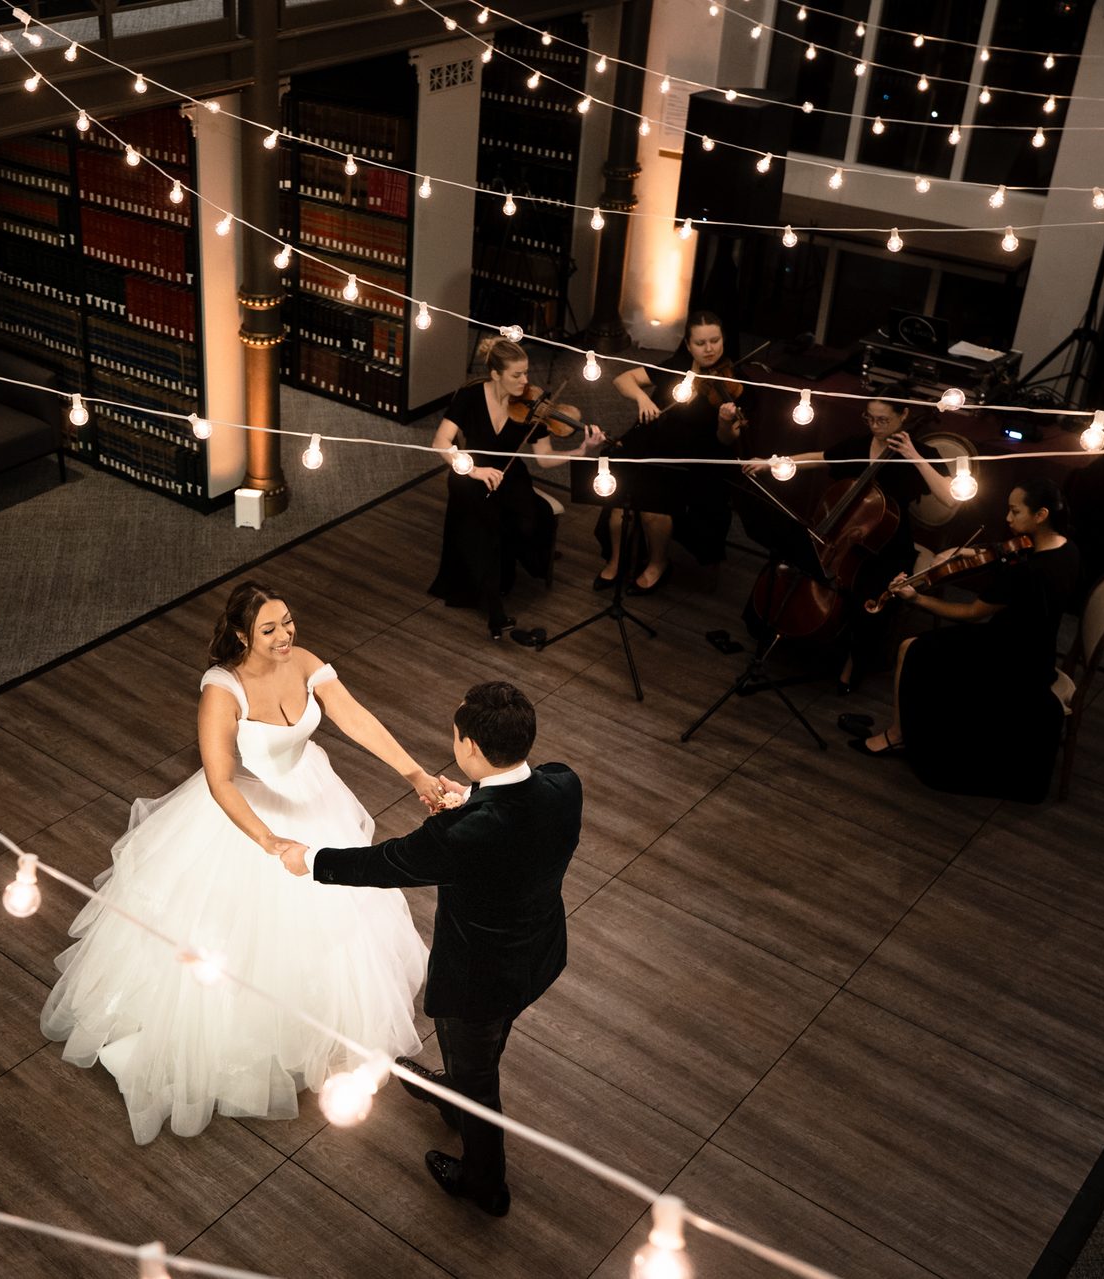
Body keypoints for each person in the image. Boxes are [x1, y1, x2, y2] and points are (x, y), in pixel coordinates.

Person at [41, 582, 435, 1144]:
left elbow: (353, 717)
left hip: (313, 795)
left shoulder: (303, 661)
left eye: (288, 622)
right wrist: (269, 841)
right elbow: (220, 779)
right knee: (242, 937)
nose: (285, 636)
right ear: (241, 634)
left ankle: (310, 1024)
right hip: (246, 816)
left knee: (330, 925)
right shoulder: (222, 690)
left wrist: (414, 773)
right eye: (270, 629)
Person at [274, 681, 584, 1218]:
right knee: (485, 1050)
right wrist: (472, 801)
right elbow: (513, 826)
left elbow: (386, 863)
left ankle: (485, 1183)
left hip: (477, 981)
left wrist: (311, 859)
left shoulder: (463, 836)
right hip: (536, 956)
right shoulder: (563, 783)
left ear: (468, 748)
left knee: (479, 1081)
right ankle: (452, 1090)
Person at [844, 478, 1081, 803]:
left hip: (1008, 656)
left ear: (1040, 515)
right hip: (1037, 649)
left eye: (1015, 512)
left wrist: (916, 599)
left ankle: (898, 736)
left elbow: (970, 612)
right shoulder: (1067, 549)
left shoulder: (1028, 574)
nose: (1008, 519)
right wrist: (973, 552)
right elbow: (1004, 555)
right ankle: (919, 725)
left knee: (910, 648)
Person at [743, 386, 955, 692]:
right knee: (789, 560)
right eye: (870, 418)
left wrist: (913, 455)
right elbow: (820, 458)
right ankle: (779, 634)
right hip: (842, 536)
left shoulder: (923, 453)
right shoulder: (858, 445)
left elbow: (948, 497)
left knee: (873, 594)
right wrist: (772, 461)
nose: (875, 426)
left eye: (883, 420)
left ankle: (852, 664)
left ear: (904, 415)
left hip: (888, 544)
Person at [428, 336, 604, 639]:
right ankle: (495, 611)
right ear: (496, 374)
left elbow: (545, 460)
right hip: (470, 472)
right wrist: (474, 469)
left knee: (526, 523)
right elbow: (440, 443)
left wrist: (581, 451)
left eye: (526, 373)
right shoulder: (469, 397)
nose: (525, 381)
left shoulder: (532, 407)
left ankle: (501, 570)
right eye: (517, 375)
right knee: (486, 526)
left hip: (511, 477)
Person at [600, 311, 748, 593]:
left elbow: (726, 441)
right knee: (620, 494)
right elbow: (623, 380)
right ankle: (617, 560)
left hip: (695, 459)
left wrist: (724, 421)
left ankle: (658, 564)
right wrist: (643, 397)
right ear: (689, 345)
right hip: (655, 442)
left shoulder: (737, 381)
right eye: (701, 343)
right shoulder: (678, 365)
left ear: (723, 340)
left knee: (653, 506)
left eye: (714, 341)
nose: (709, 349)